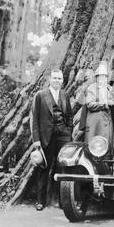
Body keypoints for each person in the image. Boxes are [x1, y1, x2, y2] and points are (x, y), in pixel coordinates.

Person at [30, 68, 73, 211]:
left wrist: (68, 130)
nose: (57, 81)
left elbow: (70, 115)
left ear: (63, 80)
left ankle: (62, 201)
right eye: (55, 78)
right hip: (46, 137)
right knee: (44, 168)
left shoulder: (65, 95)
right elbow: (34, 118)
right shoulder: (40, 95)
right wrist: (36, 139)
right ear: (50, 79)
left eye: (60, 79)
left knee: (63, 167)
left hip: (63, 135)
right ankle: (40, 201)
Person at [84, 61, 114, 149]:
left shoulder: (109, 89)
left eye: (104, 76)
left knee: (107, 144)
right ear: (96, 78)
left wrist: (112, 98)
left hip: (107, 121)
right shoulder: (91, 88)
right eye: (100, 76)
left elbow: (113, 101)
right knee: (94, 144)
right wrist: (105, 103)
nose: (102, 79)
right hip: (95, 121)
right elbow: (90, 104)